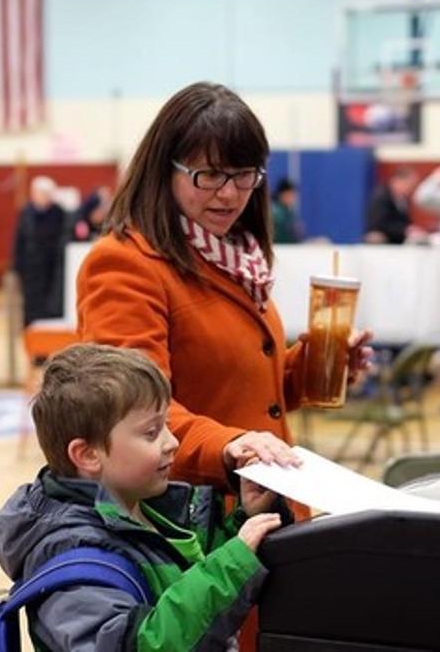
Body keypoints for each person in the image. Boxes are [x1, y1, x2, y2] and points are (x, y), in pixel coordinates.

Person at [75, 81, 372, 503]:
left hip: (263, 502)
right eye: (209, 175)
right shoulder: (125, 264)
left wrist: (320, 365)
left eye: (243, 175)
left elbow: (246, 389)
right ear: (165, 171)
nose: (230, 193)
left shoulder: (237, 256)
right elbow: (131, 412)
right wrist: (230, 449)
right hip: (193, 522)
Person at [0, 343, 287, 650]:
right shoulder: (74, 564)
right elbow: (141, 644)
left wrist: (245, 521)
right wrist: (232, 564)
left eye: (167, 426)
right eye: (151, 432)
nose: (172, 442)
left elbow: (187, 577)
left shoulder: (142, 509)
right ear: (88, 454)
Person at [12, 175, 68, 325]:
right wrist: (16, 267)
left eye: (46, 193)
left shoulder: (59, 213)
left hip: (51, 269)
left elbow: (63, 240)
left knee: (50, 304)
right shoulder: (26, 213)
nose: (43, 197)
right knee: (30, 303)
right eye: (39, 193)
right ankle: (29, 331)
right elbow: (19, 241)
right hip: (30, 268)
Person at [363, 167, 418, 244]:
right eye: (409, 185)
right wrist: (404, 230)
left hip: (397, 237)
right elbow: (379, 223)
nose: (410, 189)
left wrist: (411, 229)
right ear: (398, 181)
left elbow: (404, 221)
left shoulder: (402, 199)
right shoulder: (382, 197)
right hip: (383, 237)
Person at [269, 177, 301, 243]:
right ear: (283, 194)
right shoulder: (276, 212)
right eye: (291, 194)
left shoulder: (287, 211)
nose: (294, 198)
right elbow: (283, 237)